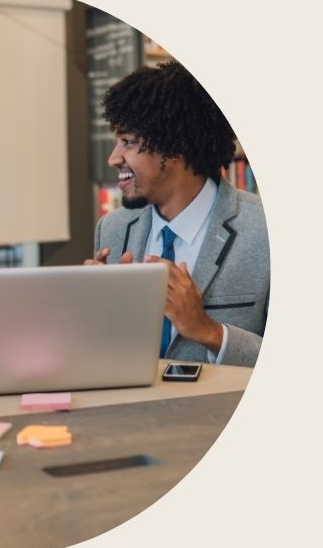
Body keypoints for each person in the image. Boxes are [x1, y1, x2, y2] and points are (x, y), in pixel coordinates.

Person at [87, 62, 269, 367]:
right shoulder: (113, 230)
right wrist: (91, 312)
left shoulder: (264, 231)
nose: (113, 157)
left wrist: (208, 331)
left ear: (173, 146)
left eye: (128, 142)